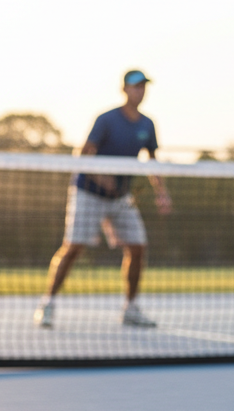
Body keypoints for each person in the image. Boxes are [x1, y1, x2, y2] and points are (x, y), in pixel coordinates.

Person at [34, 70, 172, 329]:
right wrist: (101, 176)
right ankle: (48, 304)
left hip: (121, 198)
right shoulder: (106, 120)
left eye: (143, 87)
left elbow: (153, 162)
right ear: (124, 90)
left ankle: (130, 309)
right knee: (73, 247)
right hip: (89, 192)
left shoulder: (147, 125)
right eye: (135, 86)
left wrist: (162, 193)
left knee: (138, 247)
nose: (139, 91)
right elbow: (83, 155)